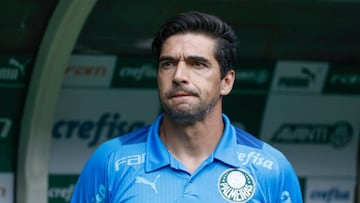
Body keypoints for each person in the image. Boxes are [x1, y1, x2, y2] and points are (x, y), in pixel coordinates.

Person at [71, 11, 303, 203]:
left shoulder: (271, 168)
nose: (179, 75)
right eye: (168, 64)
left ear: (226, 81)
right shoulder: (111, 161)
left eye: (197, 64)